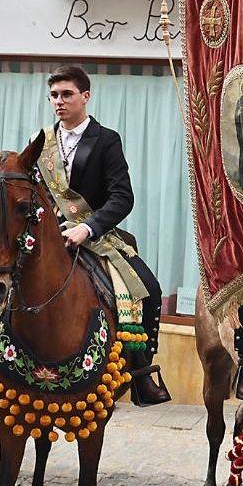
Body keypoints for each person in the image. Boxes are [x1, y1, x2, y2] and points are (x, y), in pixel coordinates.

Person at [32, 65, 170, 405]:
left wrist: (88, 227)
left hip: (94, 237)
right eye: (54, 95)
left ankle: (141, 375)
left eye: (67, 94)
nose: (59, 102)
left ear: (85, 97)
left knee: (149, 289)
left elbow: (123, 196)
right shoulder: (41, 142)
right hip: (49, 237)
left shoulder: (106, 139)